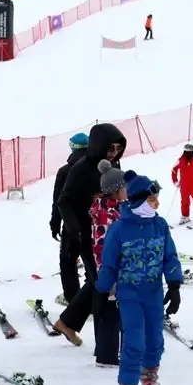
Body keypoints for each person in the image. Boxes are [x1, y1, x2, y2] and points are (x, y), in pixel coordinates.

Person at [95, 175, 184, 385]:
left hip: (154, 291)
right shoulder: (119, 229)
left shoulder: (160, 225)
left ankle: (149, 374)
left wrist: (174, 284)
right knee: (134, 341)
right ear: (139, 201)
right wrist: (101, 291)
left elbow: (170, 256)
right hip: (129, 292)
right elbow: (109, 264)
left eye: (157, 200)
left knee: (155, 339)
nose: (157, 205)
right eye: (153, 200)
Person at [55, 124, 128, 344]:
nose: (114, 152)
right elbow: (63, 200)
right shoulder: (81, 168)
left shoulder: (113, 165)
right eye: (110, 147)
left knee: (97, 280)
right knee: (101, 282)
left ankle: (67, 322)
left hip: (109, 232)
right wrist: (73, 229)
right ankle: (104, 343)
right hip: (86, 234)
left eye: (118, 148)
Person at [88, 160, 128, 363]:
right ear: (115, 190)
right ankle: (107, 354)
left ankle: (109, 352)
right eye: (124, 187)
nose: (127, 191)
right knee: (111, 311)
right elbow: (103, 246)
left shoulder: (116, 209)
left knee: (114, 311)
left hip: (115, 268)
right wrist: (109, 272)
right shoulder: (107, 213)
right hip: (110, 270)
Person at [50, 132, 91, 303]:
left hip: (72, 224)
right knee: (92, 261)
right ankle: (92, 298)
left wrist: (55, 223)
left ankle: (73, 299)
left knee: (68, 261)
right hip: (96, 223)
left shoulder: (65, 171)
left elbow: (58, 201)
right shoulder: (97, 167)